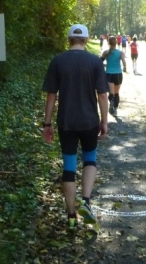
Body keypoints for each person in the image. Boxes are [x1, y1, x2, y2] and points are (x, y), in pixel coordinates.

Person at [42, 24, 109, 231]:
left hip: (66, 122)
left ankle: (71, 216)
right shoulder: (95, 61)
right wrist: (104, 121)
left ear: (69, 39)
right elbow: (102, 95)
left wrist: (47, 123)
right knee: (90, 160)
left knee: (69, 168)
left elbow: (51, 96)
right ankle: (86, 202)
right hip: (89, 122)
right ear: (86, 40)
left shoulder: (58, 61)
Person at [101, 36, 127, 115]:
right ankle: (115, 109)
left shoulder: (106, 52)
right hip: (118, 74)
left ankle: (111, 102)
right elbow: (124, 62)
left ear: (108, 43)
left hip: (109, 74)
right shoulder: (120, 53)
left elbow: (99, 62)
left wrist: (106, 65)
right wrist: (125, 68)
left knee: (111, 93)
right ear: (116, 43)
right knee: (116, 93)